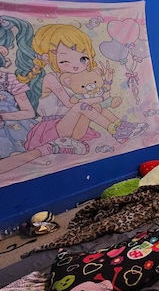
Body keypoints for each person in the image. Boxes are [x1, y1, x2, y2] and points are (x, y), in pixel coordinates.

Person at [24, 23, 147, 152]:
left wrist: (107, 83)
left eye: (83, 59)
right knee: (82, 105)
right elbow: (69, 103)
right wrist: (100, 99)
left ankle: (120, 126)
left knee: (90, 105)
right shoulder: (51, 78)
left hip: (77, 127)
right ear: (47, 58)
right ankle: (114, 129)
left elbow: (95, 97)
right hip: (53, 129)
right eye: (64, 61)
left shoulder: (78, 78)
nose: (76, 66)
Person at [0, 16, 86, 176]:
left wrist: (4, 116)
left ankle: (48, 148)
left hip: (12, 130)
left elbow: (28, 112)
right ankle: (49, 147)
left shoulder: (9, 79)